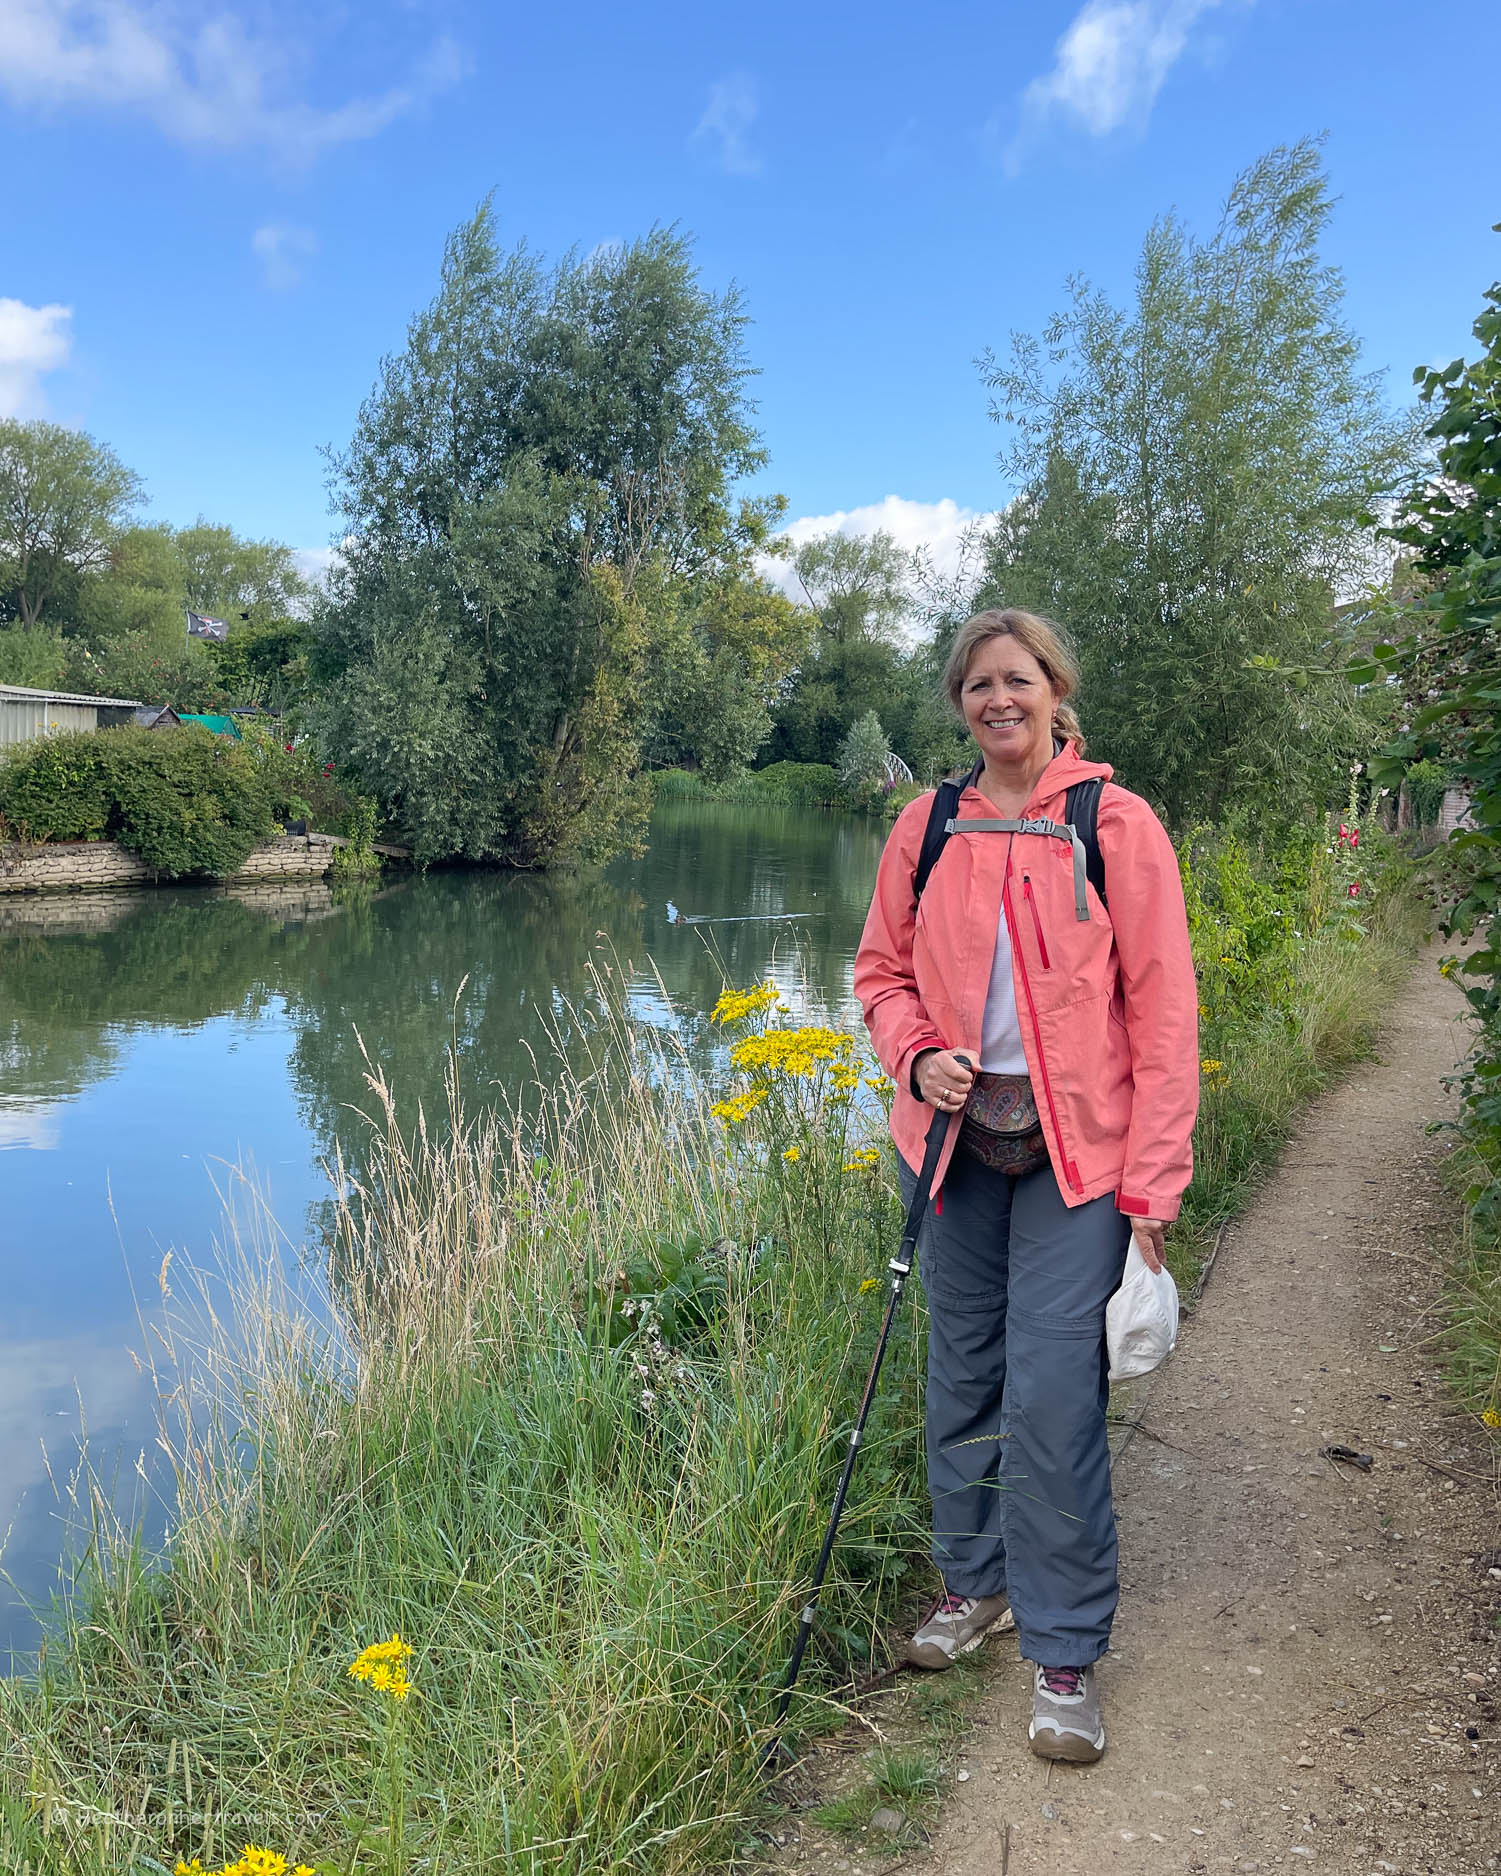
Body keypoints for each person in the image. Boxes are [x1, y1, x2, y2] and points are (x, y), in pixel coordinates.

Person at [853, 607, 1198, 1763]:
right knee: (961, 1378)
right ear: (959, 703)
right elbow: (878, 971)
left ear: (1055, 687)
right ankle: (977, 1583)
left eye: (1017, 679)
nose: (997, 700)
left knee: (1053, 1400)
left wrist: (1153, 1187)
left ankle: (1063, 1649)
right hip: (954, 1148)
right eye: (977, 685)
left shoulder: (1113, 824)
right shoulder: (928, 823)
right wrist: (915, 1053)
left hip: (1076, 1158)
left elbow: (1164, 1013)